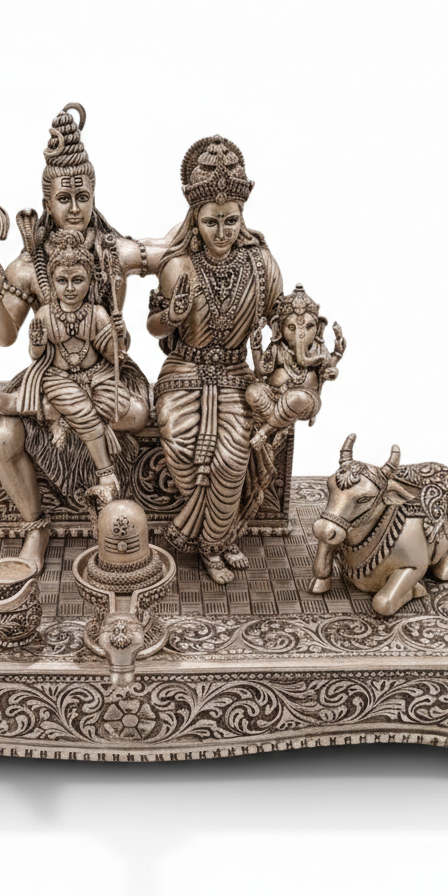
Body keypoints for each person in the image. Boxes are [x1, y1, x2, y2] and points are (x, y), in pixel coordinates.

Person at [0, 103, 173, 573]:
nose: (74, 208)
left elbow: (168, 251)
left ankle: (97, 467)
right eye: (63, 198)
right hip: (50, 373)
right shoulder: (28, 266)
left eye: (82, 197)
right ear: (48, 201)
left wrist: (207, 229)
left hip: (105, 371)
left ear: (94, 195)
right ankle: (35, 526)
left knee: (135, 413)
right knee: (1, 433)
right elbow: (2, 335)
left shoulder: (114, 251)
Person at [148, 137, 284, 584]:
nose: (222, 232)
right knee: (181, 441)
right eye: (211, 222)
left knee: (232, 454)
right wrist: (172, 316)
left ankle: (215, 541)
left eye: (231, 221)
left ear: (242, 217)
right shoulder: (178, 265)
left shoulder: (261, 263)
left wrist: (296, 358)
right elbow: (154, 327)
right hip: (182, 371)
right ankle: (217, 539)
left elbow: (281, 320)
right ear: (195, 219)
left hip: (235, 373)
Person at [0, 230, 128, 499]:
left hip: (96, 377)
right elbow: (37, 356)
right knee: (78, 403)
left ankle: (48, 411)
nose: (70, 288)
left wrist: (116, 336)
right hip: (58, 378)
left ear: (90, 281)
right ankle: (106, 472)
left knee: (128, 409)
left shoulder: (97, 313)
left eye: (77, 280)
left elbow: (114, 357)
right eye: (62, 280)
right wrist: (37, 344)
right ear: (52, 281)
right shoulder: (45, 314)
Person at [245, 284, 340, 448]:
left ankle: (266, 431)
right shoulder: (277, 347)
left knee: (295, 398)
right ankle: (281, 425)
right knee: (252, 392)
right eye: (291, 328)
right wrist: (256, 346)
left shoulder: (317, 348)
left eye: (309, 327)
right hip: (274, 398)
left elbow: (328, 369)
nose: (301, 334)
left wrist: (333, 367)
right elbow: (261, 371)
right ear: (278, 328)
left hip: (305, 401)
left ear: (319, 327)